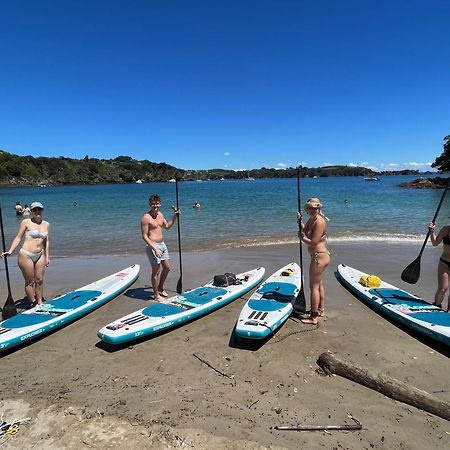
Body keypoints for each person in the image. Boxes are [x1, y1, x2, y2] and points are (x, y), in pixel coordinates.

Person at [1, 201, 50, 307]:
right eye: (35, 209)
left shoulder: (46, 224)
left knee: (39, 280)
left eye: (39, 209)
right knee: (30, 281)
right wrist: (10, 251)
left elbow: (46, 241)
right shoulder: (26, 222)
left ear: (42, 210)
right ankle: (32, 302)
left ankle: (40, 302)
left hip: (40, 254)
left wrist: (47, 256)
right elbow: (18, 237)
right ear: (31, 211)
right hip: (26, 254)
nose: (37, 211)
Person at [298, 197, 330, 324]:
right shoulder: (312, 219)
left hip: (319, 256)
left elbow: (313, 242)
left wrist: (302, 239)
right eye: (310, 208)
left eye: (314, 208)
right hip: (318, 256)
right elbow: (306, 230)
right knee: (319, 284)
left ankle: (313, 317)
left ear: (318, 208)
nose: (312, 210)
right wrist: (300, 222)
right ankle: (320, 309)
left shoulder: (320, 222)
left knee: (314, 287)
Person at [141, 194, 179, 301]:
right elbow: (144, 236)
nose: (155, 205)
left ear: (160, 204)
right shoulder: (146, 218)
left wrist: (175, 216)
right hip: (152, 246)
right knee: (156, 271)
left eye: (157, 203)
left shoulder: (161, 215)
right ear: (150, 204)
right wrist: (154, 248)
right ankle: (156, 295)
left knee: (167, 268)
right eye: (153, 204)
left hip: (162, 245)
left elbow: (167, 226)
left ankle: (161, 287)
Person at [427, 220, 450, 311]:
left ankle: (448, 313)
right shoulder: (445, 230)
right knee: (443, 289)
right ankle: (436, 305)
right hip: (444, 263)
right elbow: (435, 243)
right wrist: (431, 232)